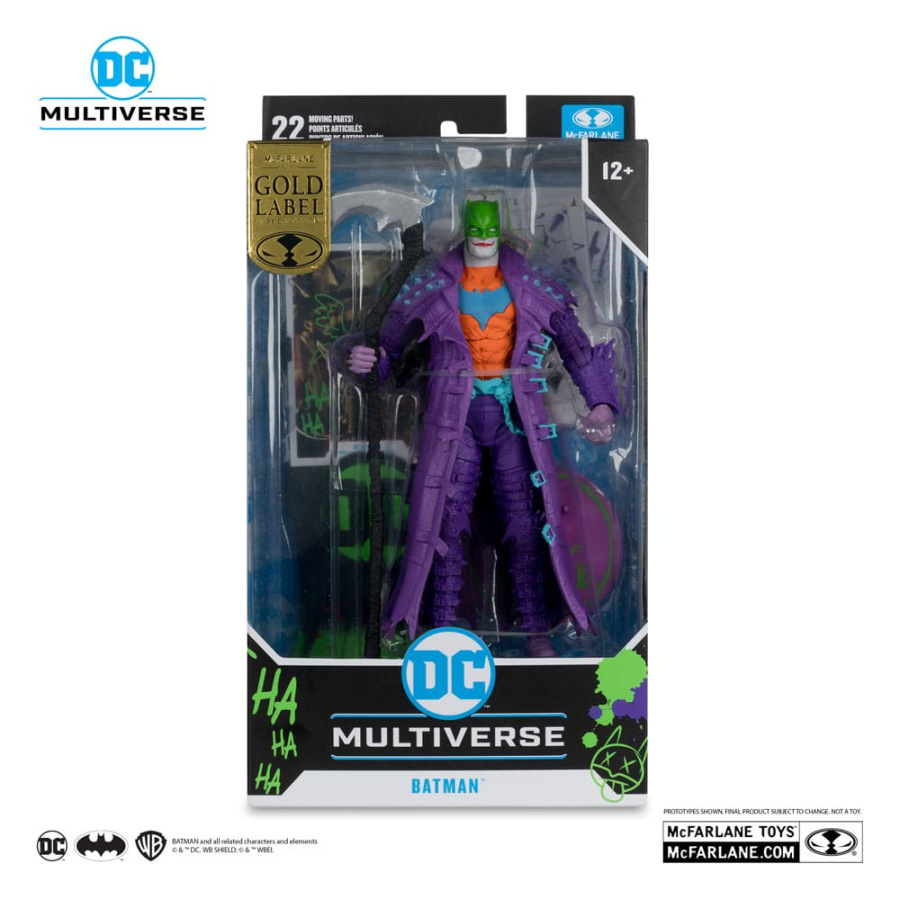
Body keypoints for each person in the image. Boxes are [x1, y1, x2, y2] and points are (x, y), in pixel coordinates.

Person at [349, 199, 619, 656]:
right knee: (444, 520)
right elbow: (388, 347)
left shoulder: (532, 285)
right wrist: (367, 360)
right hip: (454, 418)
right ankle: (438, 628)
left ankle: (536, 631)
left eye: (489, 232)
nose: (482, 239)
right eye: (476, 232)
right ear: (466, 234)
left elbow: (576, 347)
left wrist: (602, 403)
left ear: (500, 235)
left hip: (517, 418)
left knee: (526, 521)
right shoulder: (433, 286)